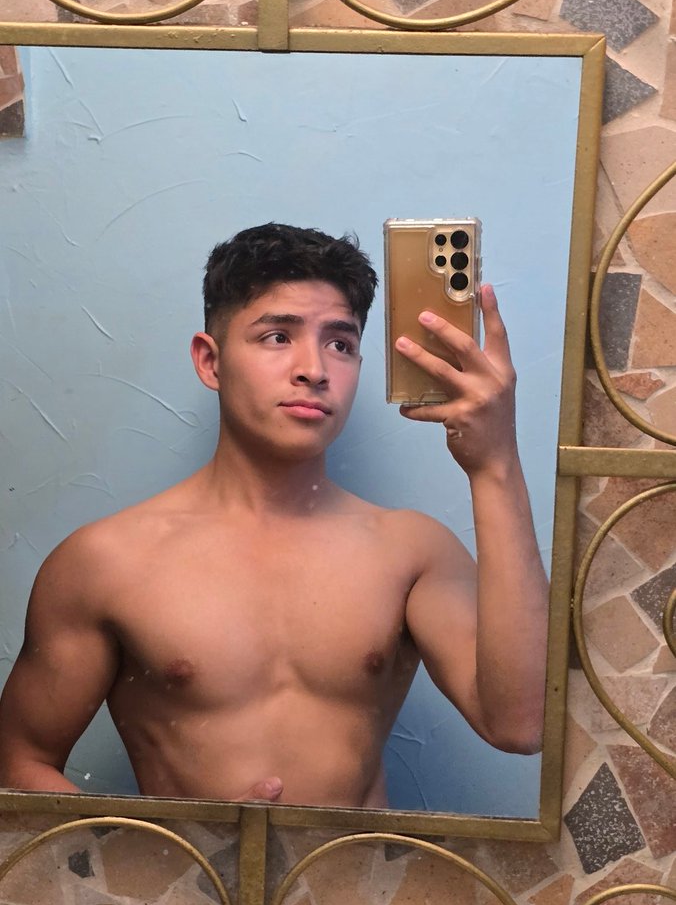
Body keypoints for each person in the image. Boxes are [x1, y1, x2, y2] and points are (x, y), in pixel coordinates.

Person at [0, 224, 548, 808]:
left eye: (340, 344)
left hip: (361, 870)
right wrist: (175, 850)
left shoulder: (412, 553)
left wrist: (494, 465)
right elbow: (18, 761)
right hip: (184, 872)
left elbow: (521, 723)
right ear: (210, 362)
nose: (314, 368)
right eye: (277, 337)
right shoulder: (106, 562)